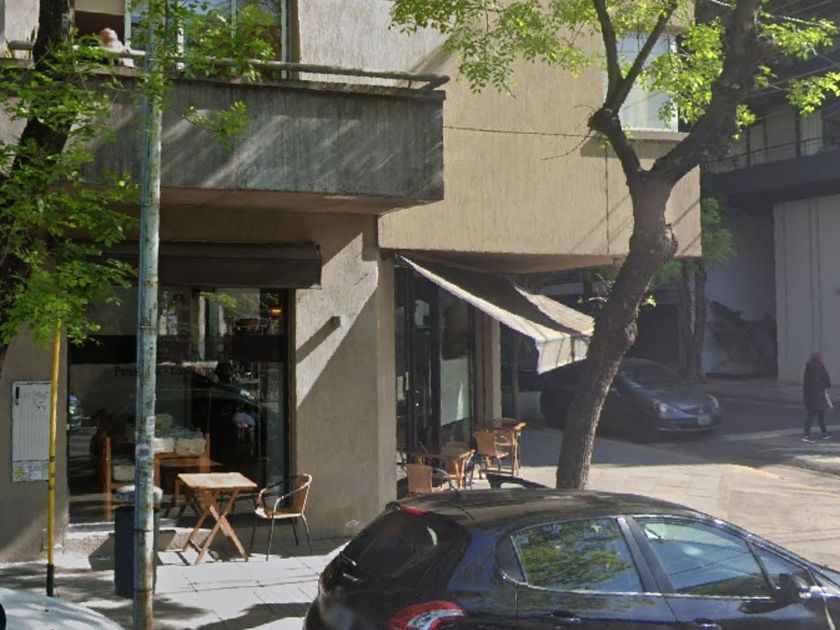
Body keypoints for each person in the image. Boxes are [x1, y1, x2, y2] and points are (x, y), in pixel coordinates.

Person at [802, 352, 832, 442]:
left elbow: (806, 384)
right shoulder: (822, 369)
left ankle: (806, 435)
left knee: (809, 417)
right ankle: (824, 433)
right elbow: (828, 383)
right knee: (821, 418)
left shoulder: (808, 369)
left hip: (810, 397)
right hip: (820, 396)